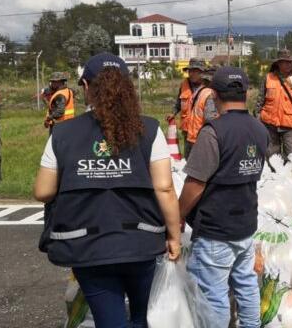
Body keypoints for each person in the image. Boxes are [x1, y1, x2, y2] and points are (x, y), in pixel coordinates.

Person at [33, 53, 181, 328]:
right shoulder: (149, 129)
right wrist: (174, 236)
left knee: (109, 320)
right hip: (142, 241)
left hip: (87, 245)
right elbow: (164, 188)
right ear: (127, 87)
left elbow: (43, 191)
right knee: (144, 316)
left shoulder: (63, 133)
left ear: (86, 87)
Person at [178, 66, 268, 328]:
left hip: (216, 229)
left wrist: (178, 215)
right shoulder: (259, 129)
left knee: (213, 295)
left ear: (214, 94)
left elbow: (195, 184)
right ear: (246, 92)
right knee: (247, 283)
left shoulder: (212, 132)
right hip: (246, 224)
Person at [168, 58, 209, 157]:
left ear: (202, 72)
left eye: (195, 71)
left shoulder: (209, 87)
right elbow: (178, 102)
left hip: (202, 132)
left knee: (202, 160)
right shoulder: (184, 85)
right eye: (190, 71)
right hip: (187, 132)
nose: (192, 74)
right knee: (188, 159)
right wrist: (173, 113)